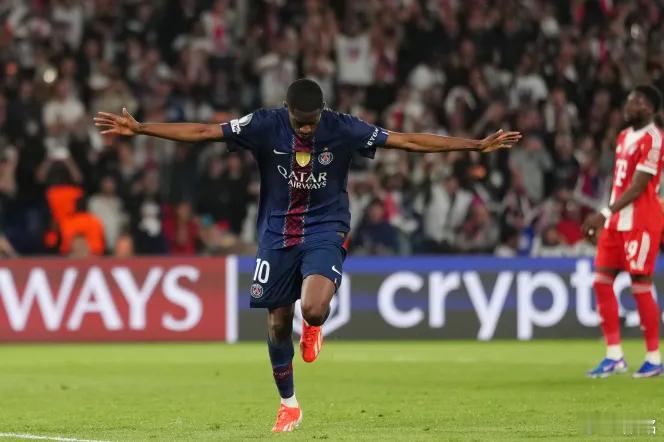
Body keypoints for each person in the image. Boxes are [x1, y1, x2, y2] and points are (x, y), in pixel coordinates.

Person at [94, 78, 521, 432]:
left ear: (322, 113)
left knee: (313, 308)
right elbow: (207, 133)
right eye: (299, 122)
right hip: (276, 234)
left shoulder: (344, 128)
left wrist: (474, 145)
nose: (306, 130)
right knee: (278, 323)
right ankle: (289, 405)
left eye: (312, 122)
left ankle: (315, 326)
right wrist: (143, 128)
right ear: (287, 111)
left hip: (324, 228)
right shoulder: (264, 124)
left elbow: (407, 140)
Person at [583, 85, 664, 379]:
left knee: (640, 284)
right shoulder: (623, 136)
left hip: (641, 220)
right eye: (628, 100)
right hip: (616, 221)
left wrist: (603, 214)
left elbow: (639, 185)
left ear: (650, 108)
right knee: (601, 281)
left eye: (636, 102)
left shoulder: (654, 139)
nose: (629, 106)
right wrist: (607, 218)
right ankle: (614, 356)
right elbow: (619, 183)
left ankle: (654, 358)